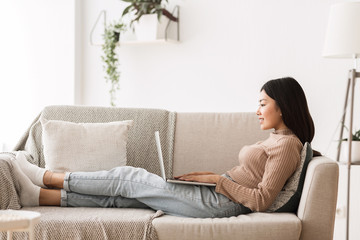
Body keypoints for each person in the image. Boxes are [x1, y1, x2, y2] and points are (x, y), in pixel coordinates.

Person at [9, 77, 316, 218]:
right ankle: (38, 196)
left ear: (284, 105)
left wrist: (219, 181)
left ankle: (46, 176)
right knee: (127, 201)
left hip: (223, 204)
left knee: (129, 178)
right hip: (217, 194)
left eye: (263, 103)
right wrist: (212, 177)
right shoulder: (277, 139)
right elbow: (248, 179)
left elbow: (261, 200)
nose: (258, 110)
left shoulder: (288, 145)